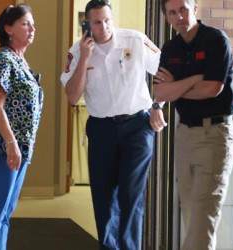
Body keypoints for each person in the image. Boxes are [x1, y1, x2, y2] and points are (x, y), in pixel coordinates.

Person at [59, 0, 165, 249]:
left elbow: (165, 72)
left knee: (131, 195)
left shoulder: (135, 41)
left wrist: (157, 105)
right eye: (97, 22)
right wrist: (85, 58)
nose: (104, 26)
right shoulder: (76, 52)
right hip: (102, 128)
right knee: (104, 198)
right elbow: (73, 96)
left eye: (107, 20)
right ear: (87, 24)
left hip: (137, 127)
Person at [154, 0, 233, 249]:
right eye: (172, 12)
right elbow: (160, 93)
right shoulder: (169, 49)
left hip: (215, 135)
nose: (179, 16)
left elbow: (212, 88)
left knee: (202, 216)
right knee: (191, 215)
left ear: (194, 9)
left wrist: (176, 88)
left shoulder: (215, 41)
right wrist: (193, 81)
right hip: (184, 136)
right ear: (167, 17)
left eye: (183, 9)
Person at [0, 4, 43, 250]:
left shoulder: (20, 60)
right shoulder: (3, 59)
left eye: (32, 23)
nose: (32, 28)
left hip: (18, 150)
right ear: (8, 29)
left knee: (5, 215)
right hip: (0, 150)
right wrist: (11, 143)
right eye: (25, 23)